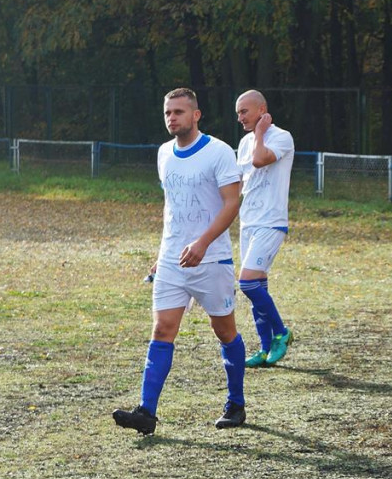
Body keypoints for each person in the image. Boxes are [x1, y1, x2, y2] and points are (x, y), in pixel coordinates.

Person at [113, 88, 247, 435]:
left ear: (196, 115)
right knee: (162, 330)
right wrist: (162, 256)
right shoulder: (163, 154)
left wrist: (203, 243)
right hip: (173, 261)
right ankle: (146, 412)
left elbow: (232, 203)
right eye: (168, 113)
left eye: (179, 112)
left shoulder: (218, 152)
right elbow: (172, 209)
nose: (172, 118)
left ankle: (236, 403)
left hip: (211, 259)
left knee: (225, 330)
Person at [234, 90, 295, 368]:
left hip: (271, 221)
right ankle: (265, 347)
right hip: (249, 221)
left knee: (247, 281)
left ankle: (281, 332)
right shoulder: (245, 141)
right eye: (238, 113)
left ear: (262, 110)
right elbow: (242, 177)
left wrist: (260, 133)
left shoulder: (281, 137)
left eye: (244, 111)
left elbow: (260, 160)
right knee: (257, 285)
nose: (240, 118)